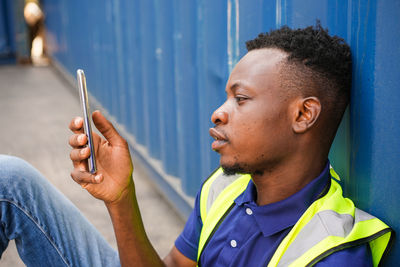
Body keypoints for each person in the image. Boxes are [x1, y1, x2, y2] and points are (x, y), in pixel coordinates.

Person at [0, 24, 393, 266]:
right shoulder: (227, 185)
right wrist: (121, 197)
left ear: (303, 115)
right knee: (9, 181)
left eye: (240, 99)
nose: (218, 114)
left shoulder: (330, 254)